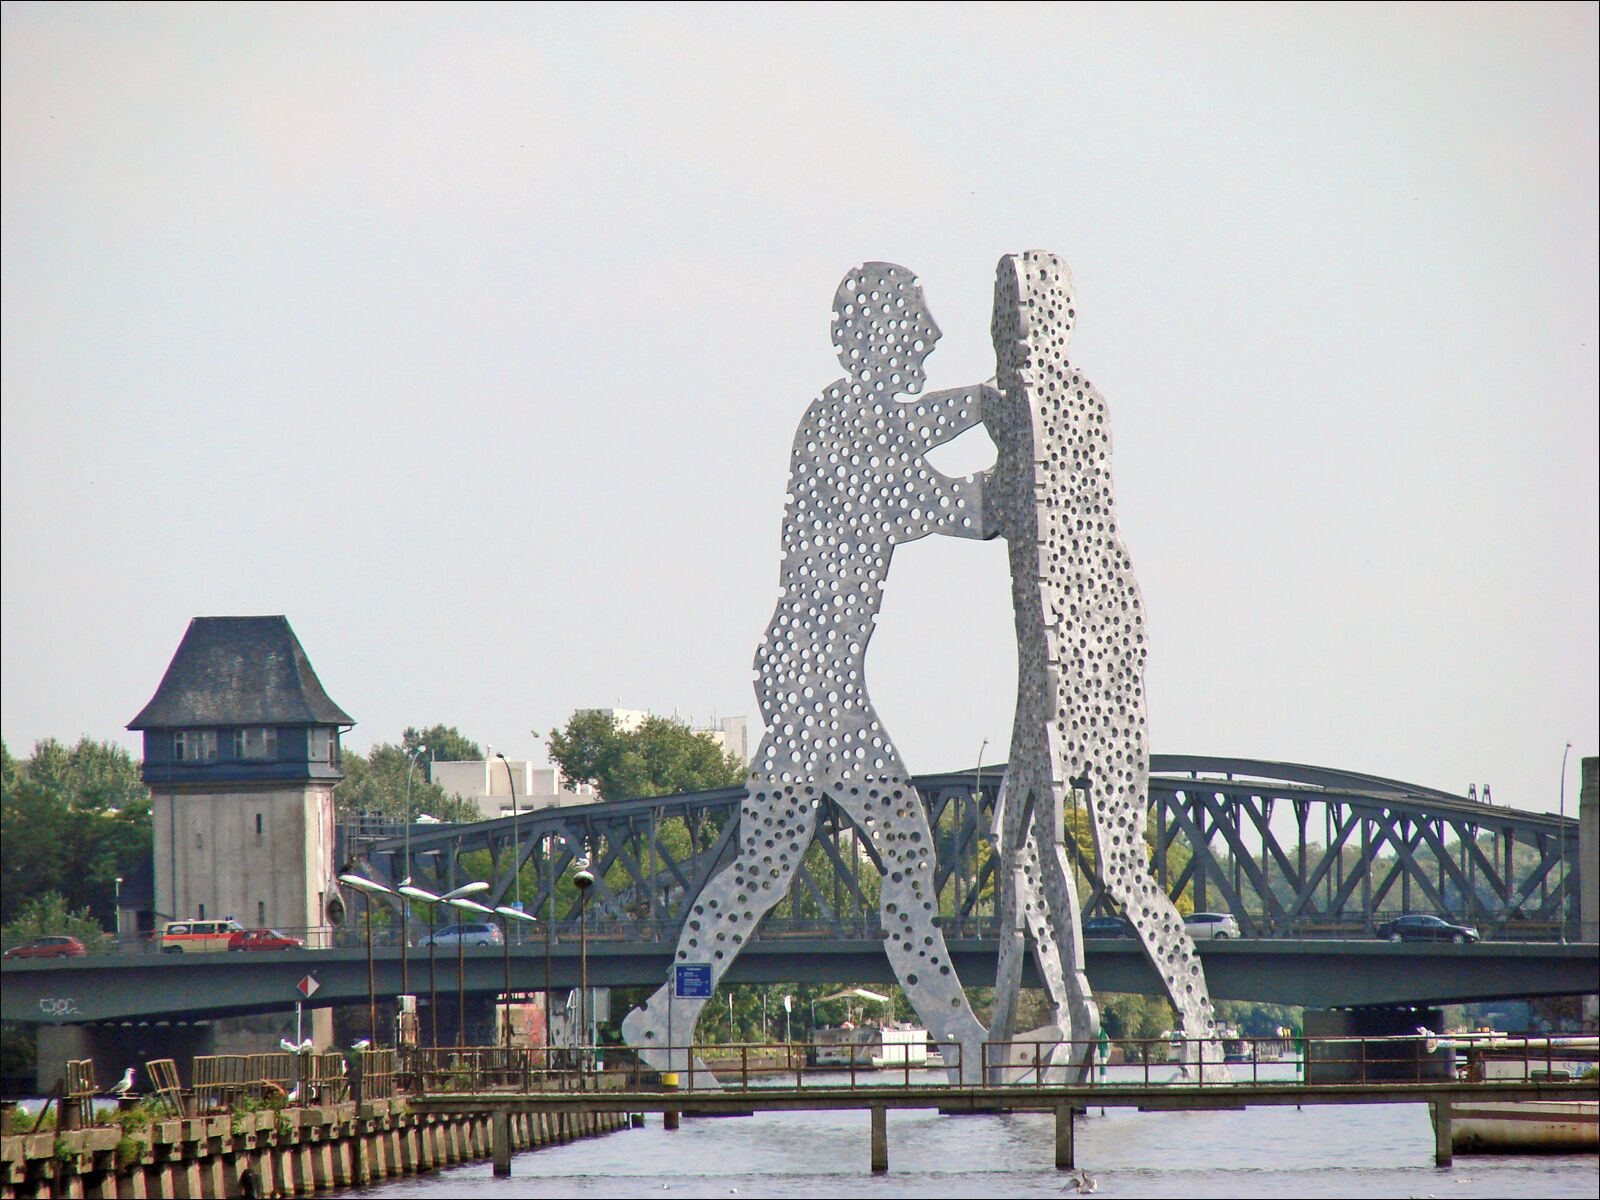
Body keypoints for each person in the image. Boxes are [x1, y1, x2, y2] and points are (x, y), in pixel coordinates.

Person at [622, 263, 993, 1082]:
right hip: (816, 685)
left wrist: (986, 403)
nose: (931, 337)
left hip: (810, 677)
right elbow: (952, 503)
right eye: (917, 323)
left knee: (763, 870)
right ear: (876, 336)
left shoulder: (850, 420)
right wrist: (1008, 423)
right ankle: (964, 1048)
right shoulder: (843, 423)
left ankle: (665, 1018)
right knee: (903, 852)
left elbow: (921, 436)